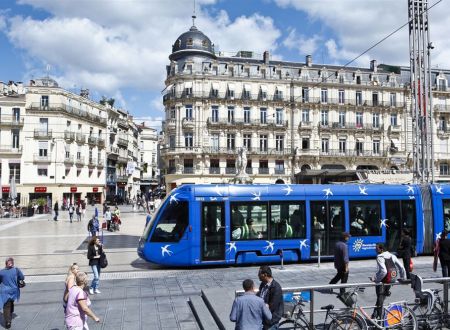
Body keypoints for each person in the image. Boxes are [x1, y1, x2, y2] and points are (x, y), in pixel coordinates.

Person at [369, 243, 406, 319]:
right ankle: (374, 315)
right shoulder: (392, 256)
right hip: (391, 280)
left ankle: (380, 318)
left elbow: (384, 271)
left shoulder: (379, 257)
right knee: (381, 298)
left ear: (381, 249)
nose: (375, 249)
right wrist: (403, 278)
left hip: (383, 280)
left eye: (376, 248)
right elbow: (401, 267)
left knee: (380, 299)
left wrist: (376, 279)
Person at [0, 257, 25, 329]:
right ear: (13, 263)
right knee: (10, 302)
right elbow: (22, 277)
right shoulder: (16, 270)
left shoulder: (1, 272)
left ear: (6, 264)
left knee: (6, 305)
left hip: (5, 291)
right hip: (14, 291)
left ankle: (8, 321)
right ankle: (10, 315)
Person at [257, 266, 283, 330]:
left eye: (259, 274)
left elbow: (272, 306)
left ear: (265, 275)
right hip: (263, 319)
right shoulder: (262, 284)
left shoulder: (276, 287)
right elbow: (260, 295)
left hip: (271, 321)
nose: (258, 275)